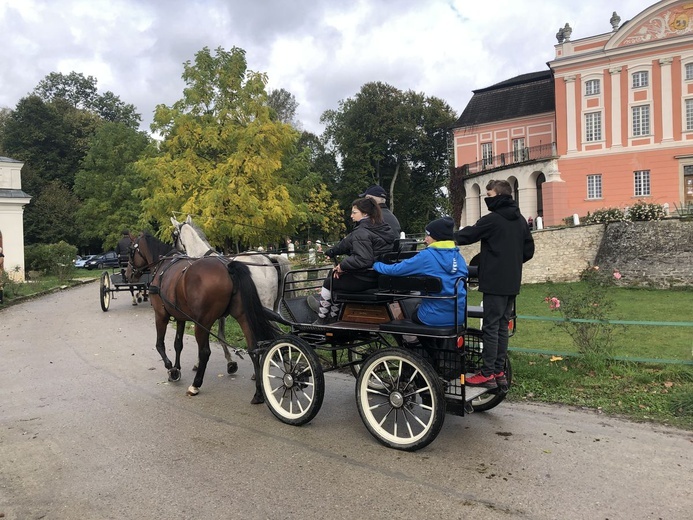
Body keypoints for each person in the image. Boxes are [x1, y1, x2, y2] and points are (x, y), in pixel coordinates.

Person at [454, 179, 535, 389]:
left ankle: (487, 373)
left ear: (498, 196)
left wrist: (442, 238)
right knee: (501, 327)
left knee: (490, 327)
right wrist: (511, 262)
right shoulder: (519, 221)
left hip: (494, 281)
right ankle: (499, 371)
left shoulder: (493, 220)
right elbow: (528, 251)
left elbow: (468, 235)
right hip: (512, 281)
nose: (486, 199)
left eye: (488, 195)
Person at [311, 197, 395, 325]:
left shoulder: (362, 231)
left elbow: (363, 259)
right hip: (379, 277)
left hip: (366, 278)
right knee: (333, 276)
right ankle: (333, 315)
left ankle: (322, 319)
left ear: (365, 213)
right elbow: (346, 243)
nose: (351, 216)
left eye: (354, 212)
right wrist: (332, 251)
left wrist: (342, 265)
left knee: (329, 282)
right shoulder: (381, 228)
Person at [372, 216, 467, 327]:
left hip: (433, 317)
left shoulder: (427, 256)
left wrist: (376, 264)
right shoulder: (459, 256)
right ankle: (433, 344)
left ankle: (420, 344)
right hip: (458, 317)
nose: (425, 239)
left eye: (428, 235)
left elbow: (396, 270)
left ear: (437, 237)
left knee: (411, 310)